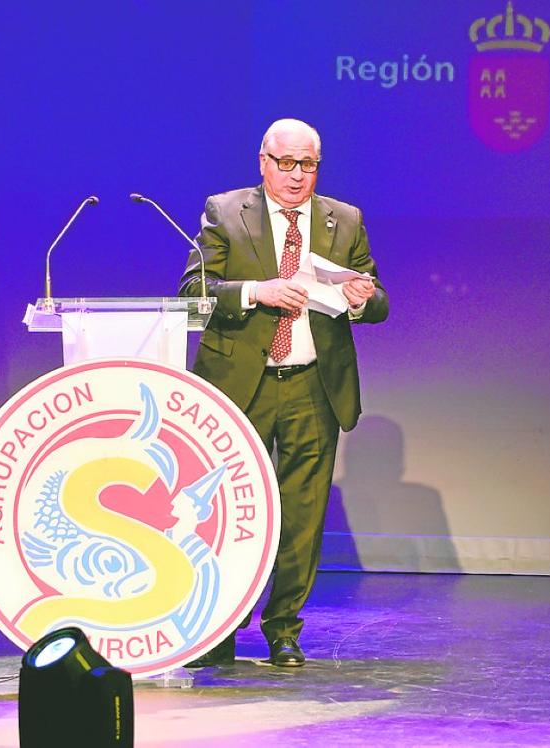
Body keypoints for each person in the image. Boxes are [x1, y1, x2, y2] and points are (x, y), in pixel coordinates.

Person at [179, 118, 388, 666]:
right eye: (287, 164)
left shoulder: (345, 220)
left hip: (312, 387)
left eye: (309, 165)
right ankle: (217, 629)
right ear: (263, 162)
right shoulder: (225, 212)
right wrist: (257, 291)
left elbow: (376, 298)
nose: (298, 176)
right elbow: (194, 290)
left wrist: (363, 297)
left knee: (302, 516)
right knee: (221, 513)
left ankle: (284, 629)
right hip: (238, 387)